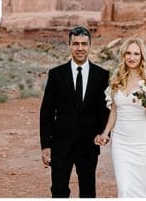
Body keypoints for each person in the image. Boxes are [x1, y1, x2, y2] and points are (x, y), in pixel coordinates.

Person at [95, 38, 146, 197]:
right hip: (120, 142)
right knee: (124, 188)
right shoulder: (116, 80)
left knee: (140, 186)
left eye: (136, 54)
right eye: (128, 53)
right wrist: (105, 133)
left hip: (141, 141)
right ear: (123, 56)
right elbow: (114, 111)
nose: (132, 57)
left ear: (141, 57)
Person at [39, 26, 111, 198]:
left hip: (89, 145)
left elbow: (104, 109)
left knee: (88, 191)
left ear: (90, 45)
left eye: (84, 44)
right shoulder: (56, 74)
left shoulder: (101, 75)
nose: (80, 48)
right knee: (59, 190)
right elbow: (47, 111)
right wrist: (45, 145)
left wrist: (103, 133)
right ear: (70, 45)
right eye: (76, 44)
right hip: (61, 144)